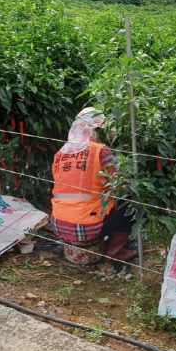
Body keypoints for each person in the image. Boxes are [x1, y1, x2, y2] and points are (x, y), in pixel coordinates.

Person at [49, 107, 136, 262]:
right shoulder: (99, 151)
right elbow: (119, 182)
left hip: (59, 222)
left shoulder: (60, 153)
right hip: (88, 224)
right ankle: (115, 251)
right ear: (93, 130)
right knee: (128, 205)